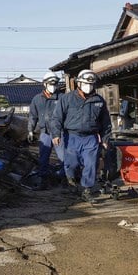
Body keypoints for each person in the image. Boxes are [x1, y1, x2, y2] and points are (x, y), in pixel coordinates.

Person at [50, 69, 112, 202]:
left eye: (91, 84)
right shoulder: (67, 99)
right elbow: (56, 118)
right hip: (71, 136)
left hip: (91, 138)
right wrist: (55, 134)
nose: (88, 86)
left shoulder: (99, 101)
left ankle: (87, 190)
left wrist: (105, 138)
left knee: (91, 164)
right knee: (71, 164)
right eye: (85, 83)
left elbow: (106, 122)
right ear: (79, 83)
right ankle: (71, 182)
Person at [27, 71, 64, 189]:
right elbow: (33, 116)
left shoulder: (62, 98)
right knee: (43, 157)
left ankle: (65, 181)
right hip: (45, 132)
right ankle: (43, 180)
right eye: (50, 84)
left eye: (55, 84)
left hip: (59, 132)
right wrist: (30, 130)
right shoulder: (37, 99)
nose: (53, 86)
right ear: (44, 84)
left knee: (64, 157)